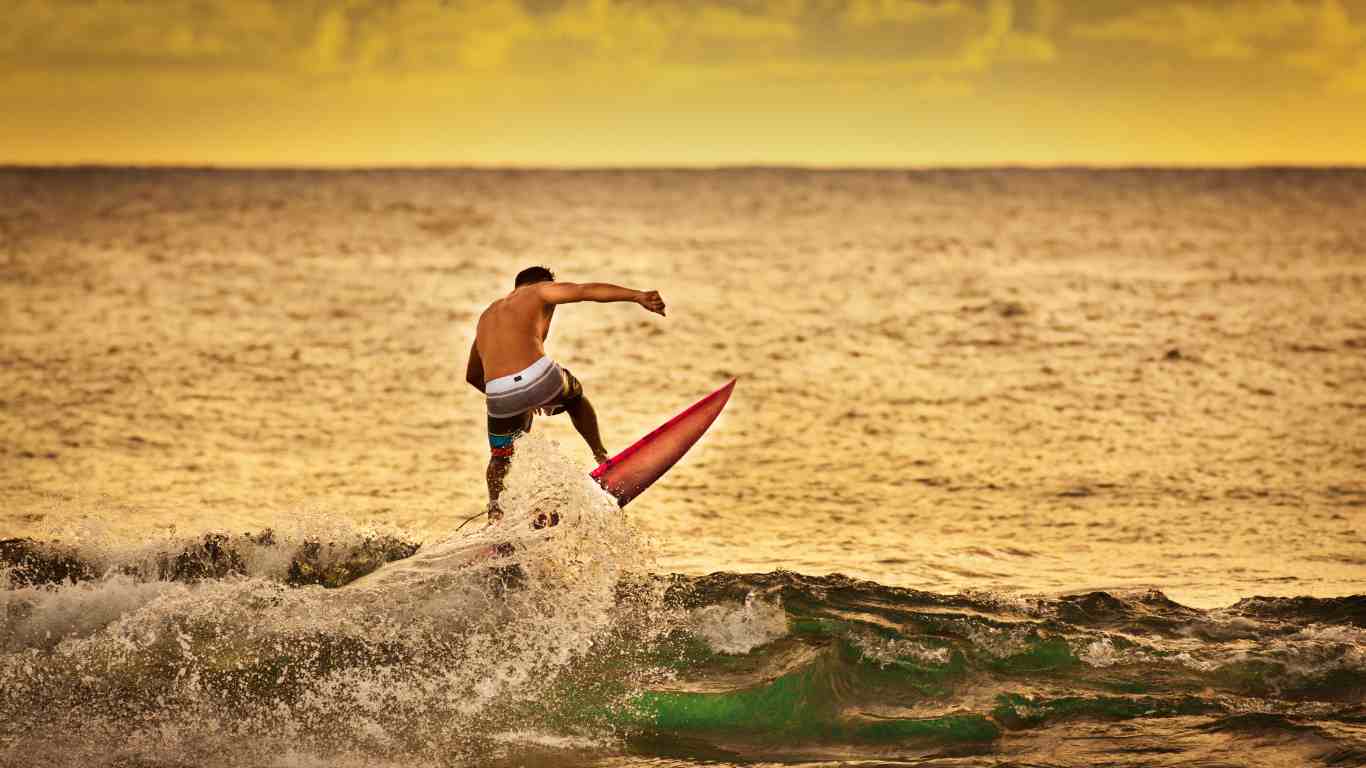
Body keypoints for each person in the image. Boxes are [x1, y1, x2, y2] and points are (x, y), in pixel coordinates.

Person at [465, 266, 666, 522]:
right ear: (542, 282)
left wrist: (518, 398)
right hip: (539, 376)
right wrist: (637, 296)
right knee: (575, 397)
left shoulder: (487, 316)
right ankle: (601, 456)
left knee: (500, 457)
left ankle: (495, 511)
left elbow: (473, 375)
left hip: (498, 393)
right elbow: (584, 291)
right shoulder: (539, 289)